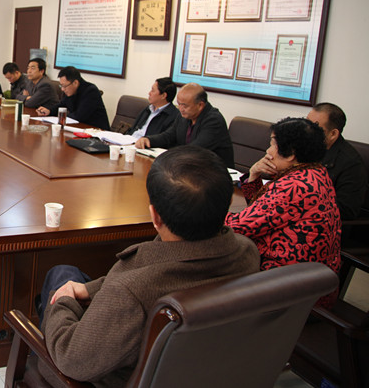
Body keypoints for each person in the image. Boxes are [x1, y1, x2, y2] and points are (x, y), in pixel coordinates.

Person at [39, 146, 259, 386]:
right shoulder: (247, 252)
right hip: (202, 370)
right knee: (69, 276)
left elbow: (72, 360)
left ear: (155, 216)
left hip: (108, 377)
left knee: (60, 278)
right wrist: (90, 290)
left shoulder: (130, 294)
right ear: (227, 204)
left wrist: (64, 301)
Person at [225, 117, 341, 307]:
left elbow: (237, 227)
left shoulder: (294, 187)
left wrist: (201, 212)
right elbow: (264, 211)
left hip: (289, 292)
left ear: (291, 154)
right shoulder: (316, 173)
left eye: (272, 144)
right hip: (315, 283)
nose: (268, 151)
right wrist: (254, 174)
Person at [135, 82, 234, 168]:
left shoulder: (213, 120)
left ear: (200, 105)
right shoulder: (184, 115)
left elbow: (195, 149)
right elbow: (169, 135)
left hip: (214, 172)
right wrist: (149, 140)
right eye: (179, 104)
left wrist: (169, 154)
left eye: (185, 105)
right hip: (191, 167)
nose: (180, 109)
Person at [307, 102, 367, 221]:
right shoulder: (306, 146)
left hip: (322, 224)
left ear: (333, 134)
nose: (307, 130)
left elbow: (346, 211)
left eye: (314, 127)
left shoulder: (351, 164)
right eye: (306, 123)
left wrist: (305, 201)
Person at [36, 66, 109, 130]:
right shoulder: (71, 91)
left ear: (75, 83)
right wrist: (49, 111)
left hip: (98, 132)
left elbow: (79, 116)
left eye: (64, 86)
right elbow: (62, 105)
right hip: (79, 129)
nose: (62, 89)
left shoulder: (91, 91)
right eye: (61, 86)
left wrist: (61, 116)